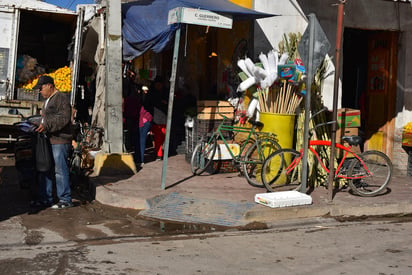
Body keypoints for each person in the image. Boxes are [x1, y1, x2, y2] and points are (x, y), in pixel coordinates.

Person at [33, 75, 73, 209]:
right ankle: (46, 198)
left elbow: (64, 118)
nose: (40, 91)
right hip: (50, 139)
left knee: (60, 170)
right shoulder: (48, 100)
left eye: (41, 88)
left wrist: (47, 125)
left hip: (60, 140)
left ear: (50, 85)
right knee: (47, 169)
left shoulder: (61, 98)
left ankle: (65, 199)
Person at [146, 76, 168, 160]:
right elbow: (147, 104)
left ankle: (160, 152)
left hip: (164, 119)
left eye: (160, 84)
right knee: (158, 137)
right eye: (157, 84)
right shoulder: (151, 93)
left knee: (163, 137)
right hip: (155, 119)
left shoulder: (165, 92)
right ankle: (159, 154)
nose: (158, 86)